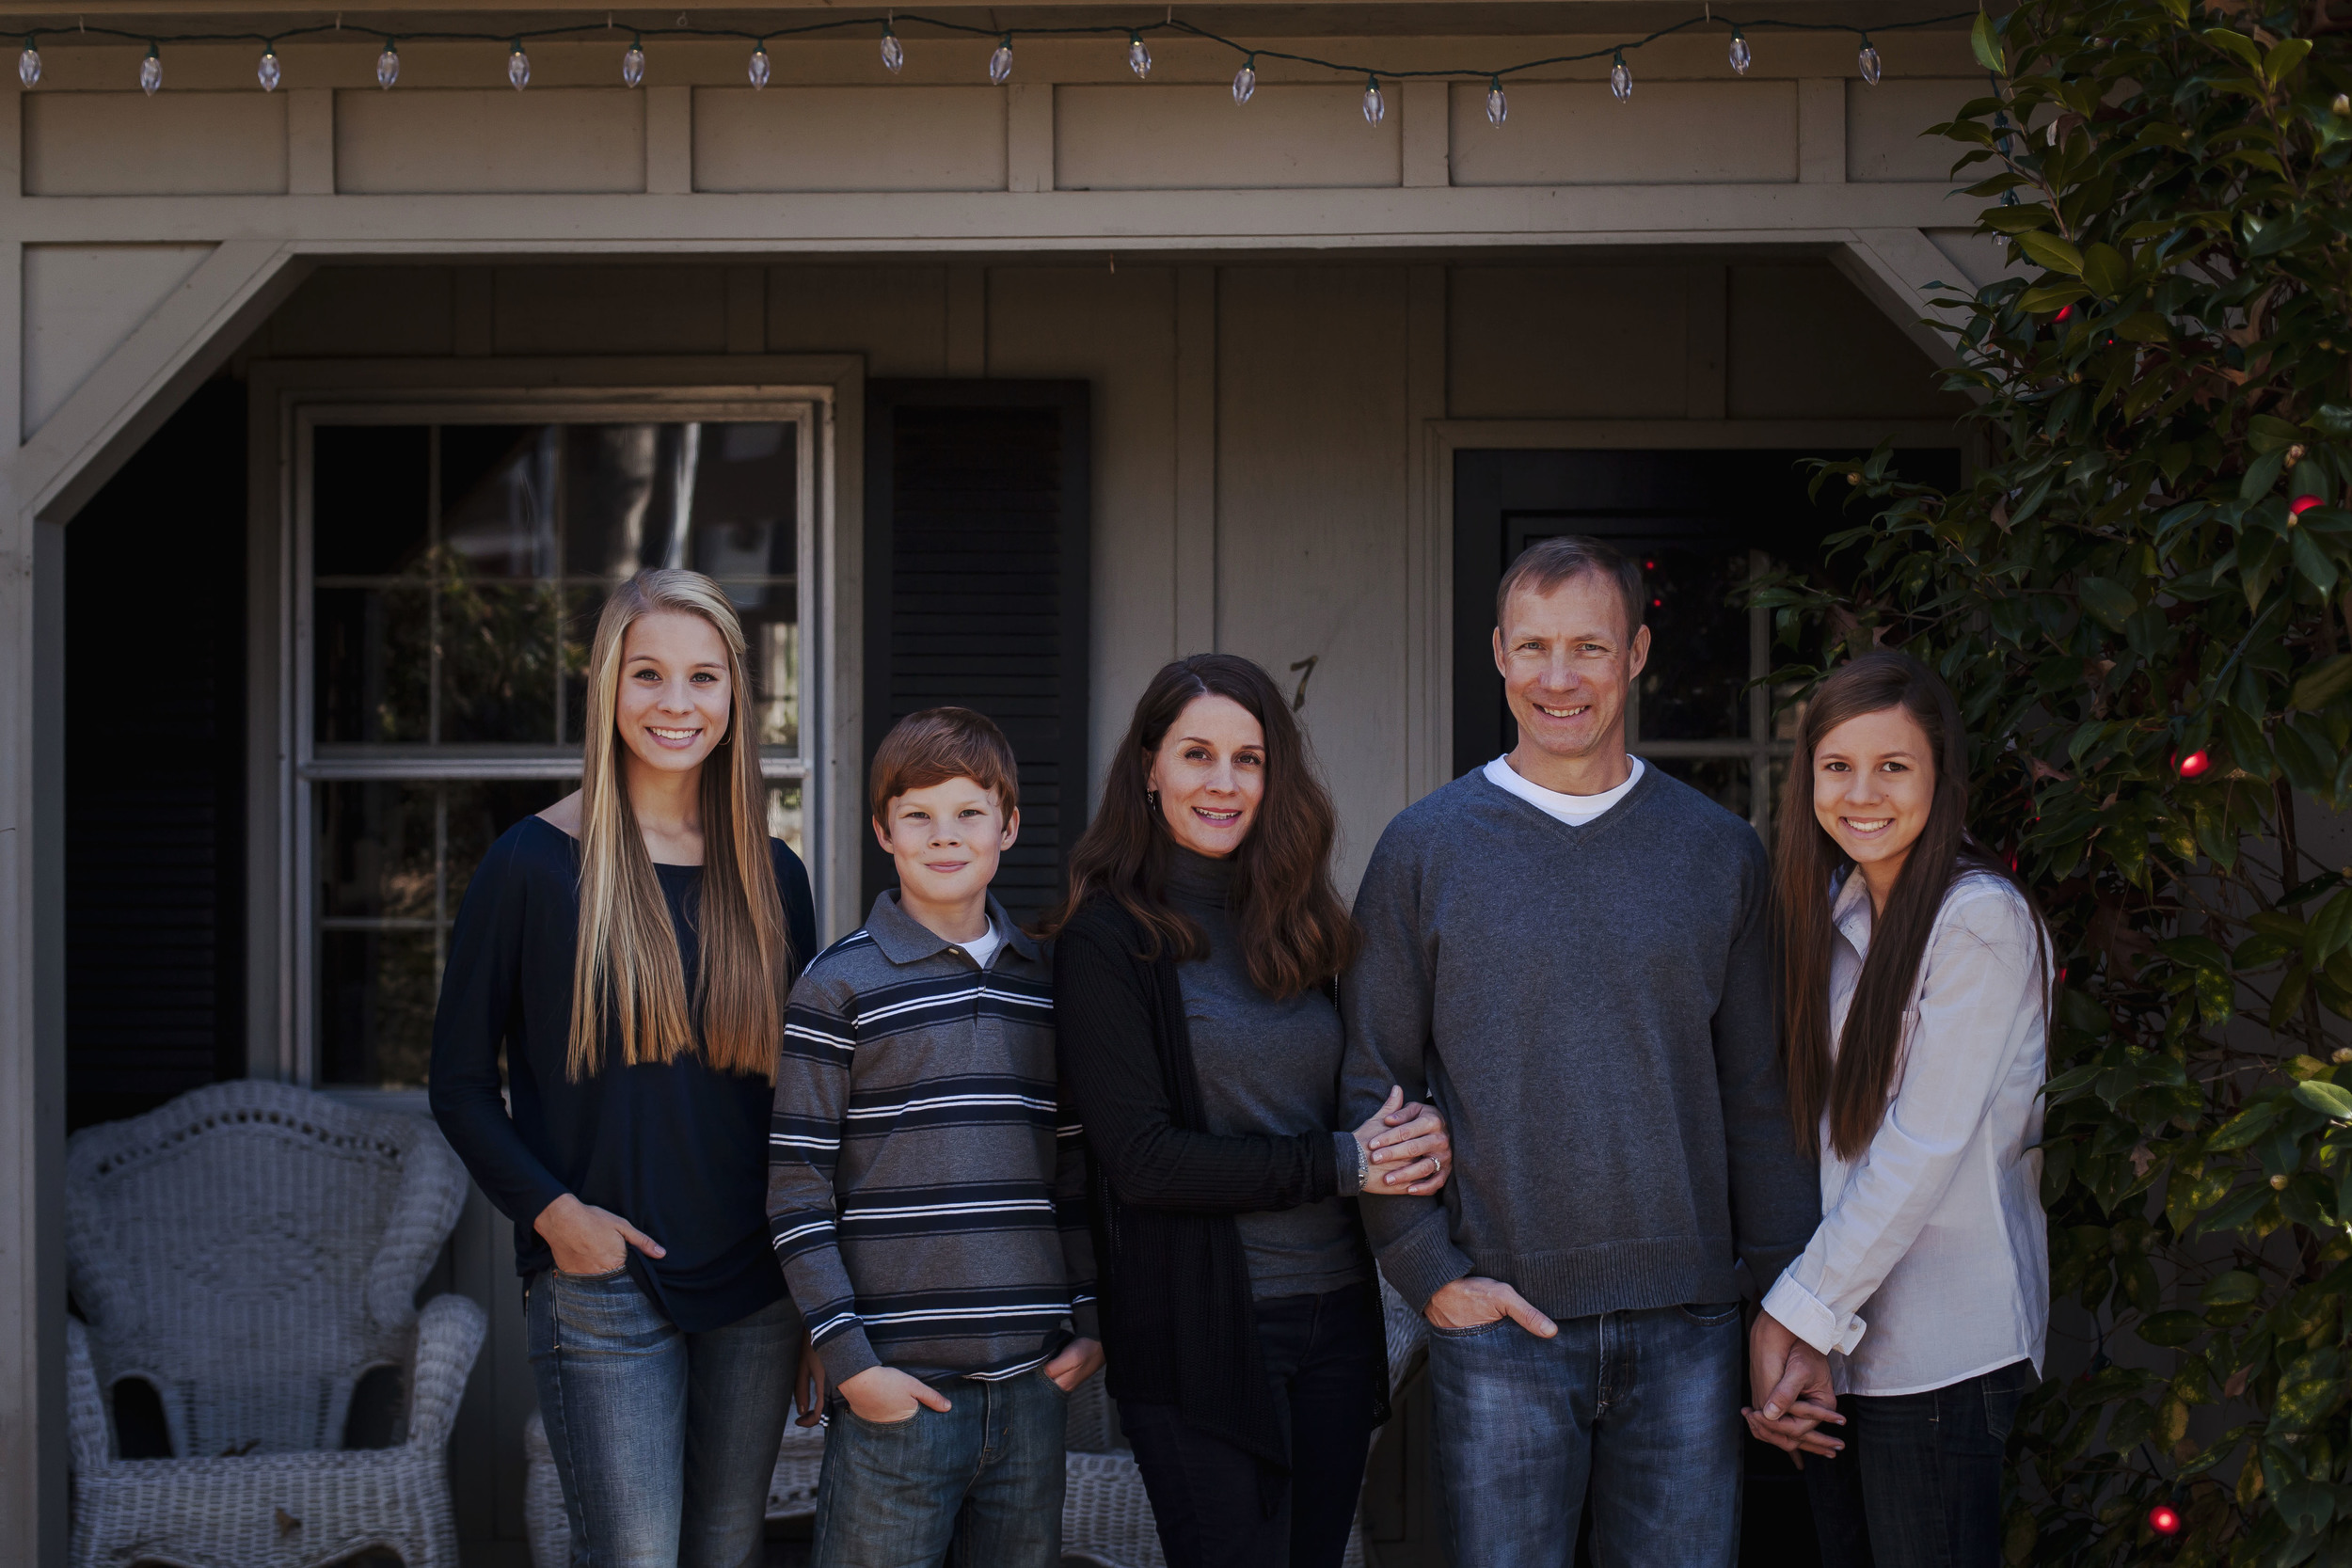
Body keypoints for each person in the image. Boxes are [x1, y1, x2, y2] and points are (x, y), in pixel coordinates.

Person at [1341, 534, 1822, 1567]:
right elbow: (1373, 1082)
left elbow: (1760, 1098)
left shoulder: (1716, 852)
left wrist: (1786, 1307)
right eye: (1534, 647)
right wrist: (1430, 1276)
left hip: (1690, 1326)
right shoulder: (1424, 850)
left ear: (1636, 654)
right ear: (1498, 654)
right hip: (1501, 1325)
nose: (1559, 678)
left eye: (1589, 648)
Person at [430, 568, 818, 1568]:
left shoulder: (774, 876)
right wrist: (557, 1217)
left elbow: (806, 1103)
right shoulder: (530, 864)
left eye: (702, 676)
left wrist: (822, 1295)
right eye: (648, 674)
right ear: (607, 684)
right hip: (604, 1280)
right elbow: (458, 1082)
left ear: (735, 696)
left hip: (759, 1285)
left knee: (725, 1551)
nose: (675, 703)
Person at [1048, 654, 1452, 1568]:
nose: (1223, 783)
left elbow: (1354, 1093)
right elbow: (1144, 1160)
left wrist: (1416, 1133)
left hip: (1335, 1320)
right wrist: (1343, 1162)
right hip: (1200, 1332)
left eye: (1249, 759)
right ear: (1149, 767)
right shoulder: (1106, 939)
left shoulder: (1301, 925)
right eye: (1197, 754)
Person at [768, 707, 1101, 1568]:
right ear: (883, 830)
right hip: (896, 1393)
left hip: (1031, 1388)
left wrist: (1091, 1321)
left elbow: (1073, 1170)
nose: (944, 835)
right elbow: (797, 1189)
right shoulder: (838, 985)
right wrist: (850, 1362)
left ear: (1009, 825)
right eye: (917, 814)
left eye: (968, 812)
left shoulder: (1048, 984)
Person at [1742, 649, 2050, 1568]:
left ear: (1939, 777)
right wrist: (1814, 1335)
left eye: (1893, 765)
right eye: (1837, 765)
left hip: (1941, 1357)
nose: (1861, 793)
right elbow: (1831, 1155)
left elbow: (1919, 1149)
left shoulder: (1979, 920)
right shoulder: (1837, 918)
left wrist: (1789, 1316)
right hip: (1846, 1353)